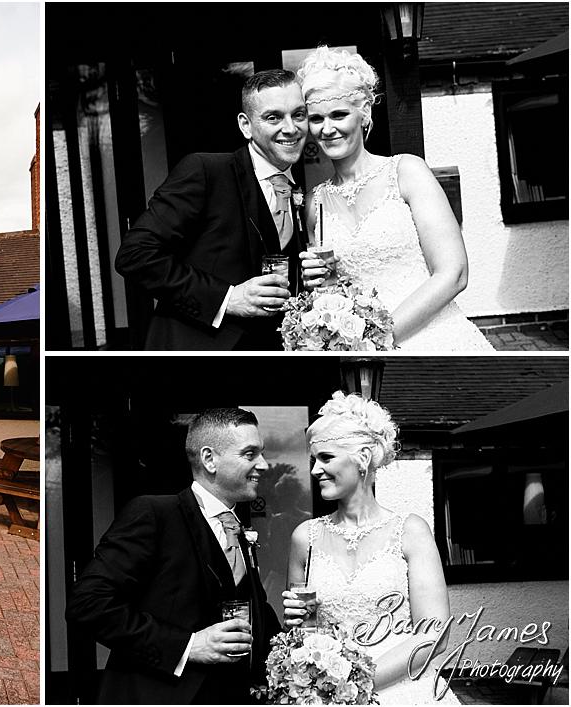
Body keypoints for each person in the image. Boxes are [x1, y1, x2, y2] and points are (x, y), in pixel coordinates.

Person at [66, 409, 282, 704]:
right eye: (250, 454)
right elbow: (87, 604)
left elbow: (253, 609)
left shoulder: (237, 528)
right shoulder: (155, 514)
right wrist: (189, 646)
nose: (264, 464)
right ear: (210, 459)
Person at [296, 46, 493, 351]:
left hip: (436, 338)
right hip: (363, 347)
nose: (327, 128)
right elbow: (334, 291)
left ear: (364, 112)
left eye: (338, 115)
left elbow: (454, 273)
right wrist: (320, 287)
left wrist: (377, 339)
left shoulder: (406, 171)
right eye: (316, 119)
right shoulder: (315, 203)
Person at [283, 392, 458, 704]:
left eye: (326, 458)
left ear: (362, 457)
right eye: (314, 460)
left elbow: (435, 635)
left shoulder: (411, 531)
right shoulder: (304, 537)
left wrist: (352, 685)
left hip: (402, 691)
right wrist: (297, 625)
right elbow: (303, 632)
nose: (314, 471)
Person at [115, 69, 309, 351]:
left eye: (299, 115)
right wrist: (228, 299)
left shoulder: (300, 192)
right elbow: (135, 255)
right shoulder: (206, 171)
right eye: (273, 117)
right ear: (245, 125)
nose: (290, 128)